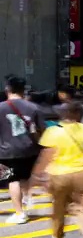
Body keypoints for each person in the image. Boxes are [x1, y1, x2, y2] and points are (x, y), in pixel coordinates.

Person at [33, 102, 83, 238]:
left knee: (58, 209)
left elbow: (47, 156)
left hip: (59, 174)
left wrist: (37, 176)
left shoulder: (53, 131)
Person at [1, 78, 46, 224]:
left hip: (8, 150)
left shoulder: (1, 107)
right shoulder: (33, 107)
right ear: (23, 90)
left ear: (7, 89)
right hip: (30, 148)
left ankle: (20, 213)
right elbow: (42, 129)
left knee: (13, 179)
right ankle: (28, 201)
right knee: (26, 177)